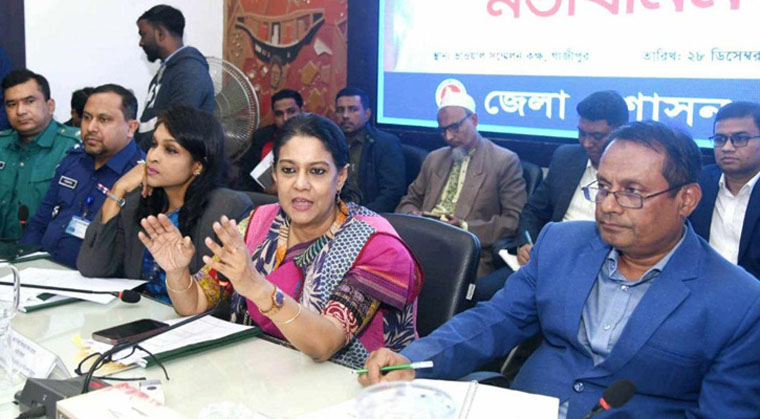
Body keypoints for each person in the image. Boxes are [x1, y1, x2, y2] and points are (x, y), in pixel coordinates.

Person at [361, 121, 760, 418]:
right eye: (603, 186)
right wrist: (415, 360)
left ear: (687, 199)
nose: (607, 205)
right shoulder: (561, 244)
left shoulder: (738, 302)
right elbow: (495, 320)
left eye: (631, 192)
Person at [140, 113, 422, 368]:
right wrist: (177, 273)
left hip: (355, 387)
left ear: (341, 177)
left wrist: (257, 287)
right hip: (264, 374)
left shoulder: (376, 244)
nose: (300, 184)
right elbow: (195, 304)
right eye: (289, 170)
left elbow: (324, 345)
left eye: (317, 171)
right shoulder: (258, 223)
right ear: (274, 174)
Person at [77, 106, 252, 303]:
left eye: (170, 150)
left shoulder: (226, 208)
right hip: (138, 317)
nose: (152, 157)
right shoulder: (139, 201)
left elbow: (224, 298)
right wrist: (117, 190)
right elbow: (91, 267)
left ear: (198, 166)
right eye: (153, 144)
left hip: (190, 325)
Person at [476, 90, 629, 301]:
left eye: (596, 136)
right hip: (547, 260)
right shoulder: (566, 158)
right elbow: (533, 212)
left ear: (620, 133)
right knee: (481, 292)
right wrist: (526, 244)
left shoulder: (634, 176)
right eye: (581, 133)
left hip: (598, 269)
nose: (586, 143)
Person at [396, 91, 526, 276]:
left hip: (466, 252)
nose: (449, 137)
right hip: (423, 242)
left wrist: (465, 228)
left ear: (473, 120)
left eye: (455, 127)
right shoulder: (435, 158)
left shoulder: (504, 161)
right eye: (443, 130)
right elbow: (409, 199)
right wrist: (413, 215)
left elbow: (512, 221)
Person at [20, 84, 145, 268]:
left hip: (96, 284)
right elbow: (40, 222)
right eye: (87, 117)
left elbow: (132, 255)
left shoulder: (141, 177)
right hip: (44, 271)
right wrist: (24, 265)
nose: (91, 127)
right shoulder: (73, 160)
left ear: (131, 128)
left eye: (104, 119)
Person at [0, 69, 79, 242]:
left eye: (29, 101)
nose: (20, 111)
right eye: (11, 104)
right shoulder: (1, 145)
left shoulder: (75, 147)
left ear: (50, 106)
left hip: (47, 257)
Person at [690, 101, 760, 279]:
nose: (727, 147)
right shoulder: (696, 184)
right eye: (720, 139)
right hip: (700, 290)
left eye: (740, 138)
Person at [135, 4, 214, 150]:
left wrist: (137, 154)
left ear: (160, 34)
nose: (141, 43)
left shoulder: (189, 72)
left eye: (143, 34)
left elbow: (174, 127)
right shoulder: (166, 71)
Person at [335, 87, 406, 213]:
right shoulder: (330, 143)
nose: (345, 116)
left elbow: (392, 193)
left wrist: (362, 216)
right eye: (340, 110)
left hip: (369, 216)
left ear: (367, 114)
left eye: (353, 109)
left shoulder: (385, 144)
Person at [232, 89, 303, 193]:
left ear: (301, 111)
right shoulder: (262, 137)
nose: (285, 118)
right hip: (263, 196)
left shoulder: (314, 139)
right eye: (279, 114)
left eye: (291, 112)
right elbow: (246, 175)